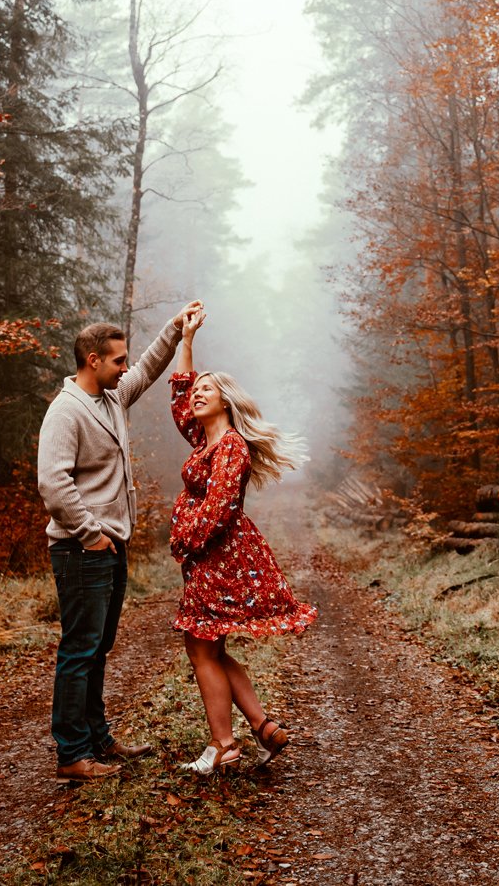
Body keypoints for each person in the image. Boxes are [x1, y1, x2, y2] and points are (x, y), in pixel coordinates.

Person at [36, 302, 201, 782]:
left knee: (99, 645)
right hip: (81, 548)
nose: (125, 367)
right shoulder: (65, 412)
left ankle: (98, 738)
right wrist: (90, 535)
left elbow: (148, 368)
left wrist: (174, 330)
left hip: (110, 546)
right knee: (80, 648)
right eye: (117, 360)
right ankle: (72, 754)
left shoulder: (110, 399)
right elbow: (53, 483)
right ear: (93, 361)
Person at [167, 308, 317, 775]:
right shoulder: (202, 439)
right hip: (210, 557)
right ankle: (262, 726)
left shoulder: (230, 445)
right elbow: (178, 391)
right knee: (207, 648)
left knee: (201, 646)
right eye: (196, 392)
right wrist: (185, 339)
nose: (195, 396)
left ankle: (224, 745)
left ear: (226, 401)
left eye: (206, 391)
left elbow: (220, 507)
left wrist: (183, 540)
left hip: (220, 555)